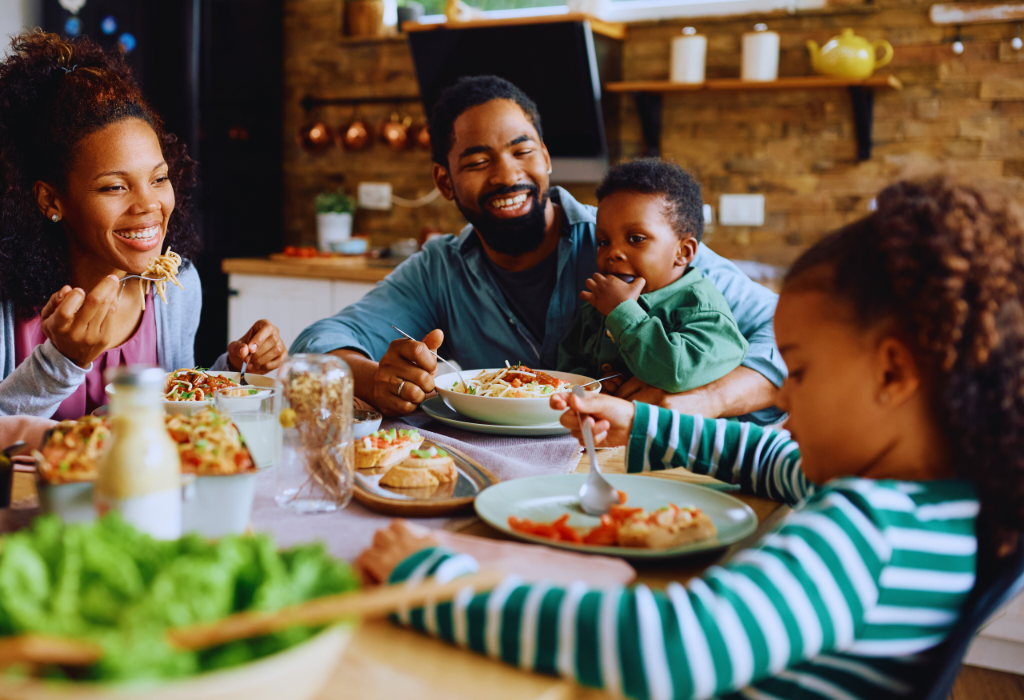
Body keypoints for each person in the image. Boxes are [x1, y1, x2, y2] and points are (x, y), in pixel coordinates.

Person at [358, 176, 1024, 699]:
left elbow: (667, 647)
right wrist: (642, 423)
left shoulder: (864, 531)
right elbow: (770, 458)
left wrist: (435, 581)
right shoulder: (936, 498)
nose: (783, 393)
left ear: (894, 372)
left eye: (802, 370)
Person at [290, 76, 784, 423]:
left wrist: (705, 400)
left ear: (546, 159)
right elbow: (319, 341)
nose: (508, 175)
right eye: (479, 160)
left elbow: (783, 332)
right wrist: (375, 377)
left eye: (523, 151)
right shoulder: (438, 270)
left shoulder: (623, 244)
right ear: (445, 181)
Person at [0, 32, 286, 454]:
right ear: (50, 199)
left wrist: (234, 370)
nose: (150, 206)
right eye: (114, 187)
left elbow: (176, 416)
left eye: (159, 179)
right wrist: (60, 364)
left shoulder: (175, 285)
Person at [557, 159, 747, 394]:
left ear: (683, 251)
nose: (613, 253)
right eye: (604, 242)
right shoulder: (600, 305)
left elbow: (677, 372)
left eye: (636, 238)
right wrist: (594, 384)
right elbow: (567, 370)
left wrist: (623, 312)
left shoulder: (702, 308)